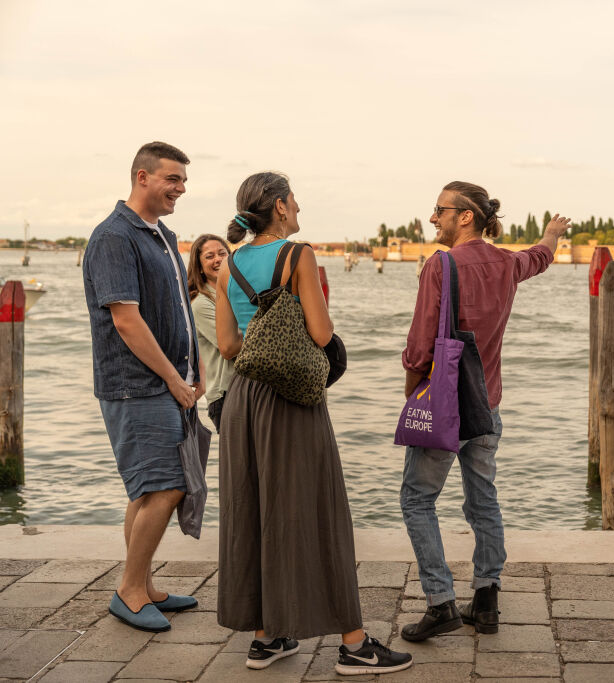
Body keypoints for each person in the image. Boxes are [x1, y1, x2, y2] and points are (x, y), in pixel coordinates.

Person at [215, 171, 412, 675]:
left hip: (242, 399)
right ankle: (353, 644)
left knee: (255, 511)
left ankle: (267, 637)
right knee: (319, 509)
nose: (298, 206)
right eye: (294, 200)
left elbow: (230, 347)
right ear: (280, 206)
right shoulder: (298, 255)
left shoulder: (228, 264)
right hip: (290, 401)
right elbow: (321, 331)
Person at [399, 181, 570, 642]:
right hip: (487, 403)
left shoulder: (441, 265)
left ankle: (440, 603)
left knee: (416, 500)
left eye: (440, 210)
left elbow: (418, 347)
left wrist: (413, 392)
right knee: (483, 500)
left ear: (466, 216)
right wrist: (552, 232)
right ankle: (487, 599)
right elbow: (541, 255)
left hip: (446, 403)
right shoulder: (507, 263)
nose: (433, 218)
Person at [82, 141, 205, 632]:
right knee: (167, 485)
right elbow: (126, 320)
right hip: (138, 386)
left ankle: (142, 583)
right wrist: (175, 380)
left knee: (146, 487)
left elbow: (175, 310)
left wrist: (189, 373)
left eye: (183, 182)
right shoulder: (115, 236)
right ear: (142, 176)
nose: (180, 189)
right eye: (172, 179)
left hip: (166, 382)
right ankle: (130, 591)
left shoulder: (162, 234)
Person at [186, 234, 235, 432]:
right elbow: (231, 346)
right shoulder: (201, 303)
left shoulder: (238, 293)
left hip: (247, 390)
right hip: (226, 395)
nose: (218, 259)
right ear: (199, 266)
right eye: (209, 256)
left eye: (222, 253)